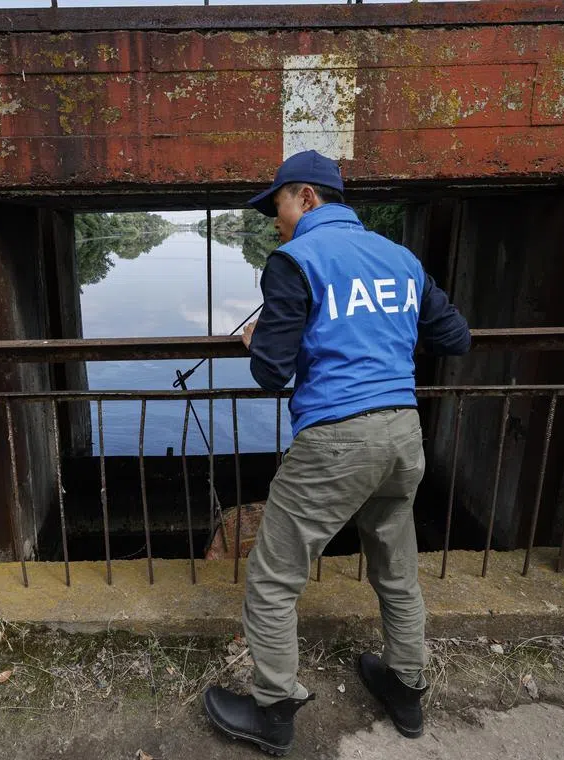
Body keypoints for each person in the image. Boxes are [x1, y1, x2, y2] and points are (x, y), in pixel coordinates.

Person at [203, 150, 471, 756]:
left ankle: (273, 711)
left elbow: (272, 373)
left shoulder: (294, 260)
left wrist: (258, 337)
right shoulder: (401, 258)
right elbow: (456, 338)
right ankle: (406, 688)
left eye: (278, 207)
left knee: (273, 579)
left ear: (307, 197)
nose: (276, 222)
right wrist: (385, 334)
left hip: (335, 441)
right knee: (397, 572)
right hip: (404, 435)